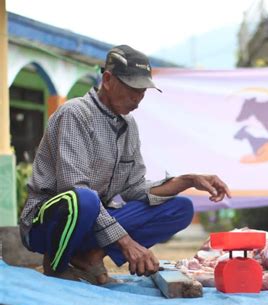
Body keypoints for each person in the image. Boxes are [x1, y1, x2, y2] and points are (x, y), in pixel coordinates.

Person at [19, 44, 231, 285]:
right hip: (48, 223)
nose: (138, 97)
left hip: (91, 217)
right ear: (108, 79)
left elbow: (134, 189)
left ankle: (89, 258)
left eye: (143, 90)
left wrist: (189, 180)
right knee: (85, 199)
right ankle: (55, 266)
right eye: (132, 88)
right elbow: (73, 188)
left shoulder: (128, 126)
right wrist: (127, 243)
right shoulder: (75, 113)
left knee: (180, 208)